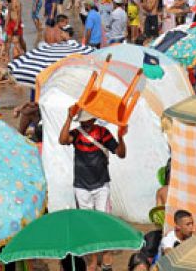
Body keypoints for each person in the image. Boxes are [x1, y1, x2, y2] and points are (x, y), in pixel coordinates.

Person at [59, 105, 127, 271]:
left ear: (94, 119)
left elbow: (120, 153)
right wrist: (68, 118)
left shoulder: (103, 133)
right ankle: (92, 262)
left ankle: (105, 261)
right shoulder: (76, 134)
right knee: (87, 225)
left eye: (87, 120)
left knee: (103, 223)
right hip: (82, 186)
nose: (85, 124)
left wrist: (121, 137)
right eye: (82, 121)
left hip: (101, 184)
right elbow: (62, 140)